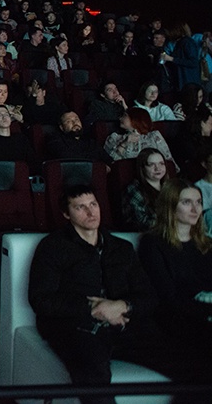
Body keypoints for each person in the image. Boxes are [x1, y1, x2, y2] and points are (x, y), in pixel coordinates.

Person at [28, 184, 198, 404]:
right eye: (80, 207)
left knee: (193, 363)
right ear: (66, 214)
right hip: (77, 327)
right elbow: (41, 299)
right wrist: (93, 308)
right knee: (92, 372)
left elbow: (149, 296)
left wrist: (123, 306)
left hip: (126, 326)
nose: (91, 212)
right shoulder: (52, 247)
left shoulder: (121, 248)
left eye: (93, 204)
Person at [138, 179, 212, 342]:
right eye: (187, 202)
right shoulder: (152, 243)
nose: (195, 209)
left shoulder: (207, 243)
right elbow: (167, 297)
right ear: (170, 206)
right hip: (178, 320)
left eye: (198, 202)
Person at [122, 148, 171, 231]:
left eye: (161, 163)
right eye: (151, 165)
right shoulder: (134, 189)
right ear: (142, 168)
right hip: (149, 235)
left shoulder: (170, 187)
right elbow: (142, 223)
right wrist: (173, 222)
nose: (158, 168)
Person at [103, 107, 175, 164]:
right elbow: (111, 163)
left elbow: (168, 159)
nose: (120, 118)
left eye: (124, 115)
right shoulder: (114, 138)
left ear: (135, 119)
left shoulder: (153, 136)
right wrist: (124, 144)